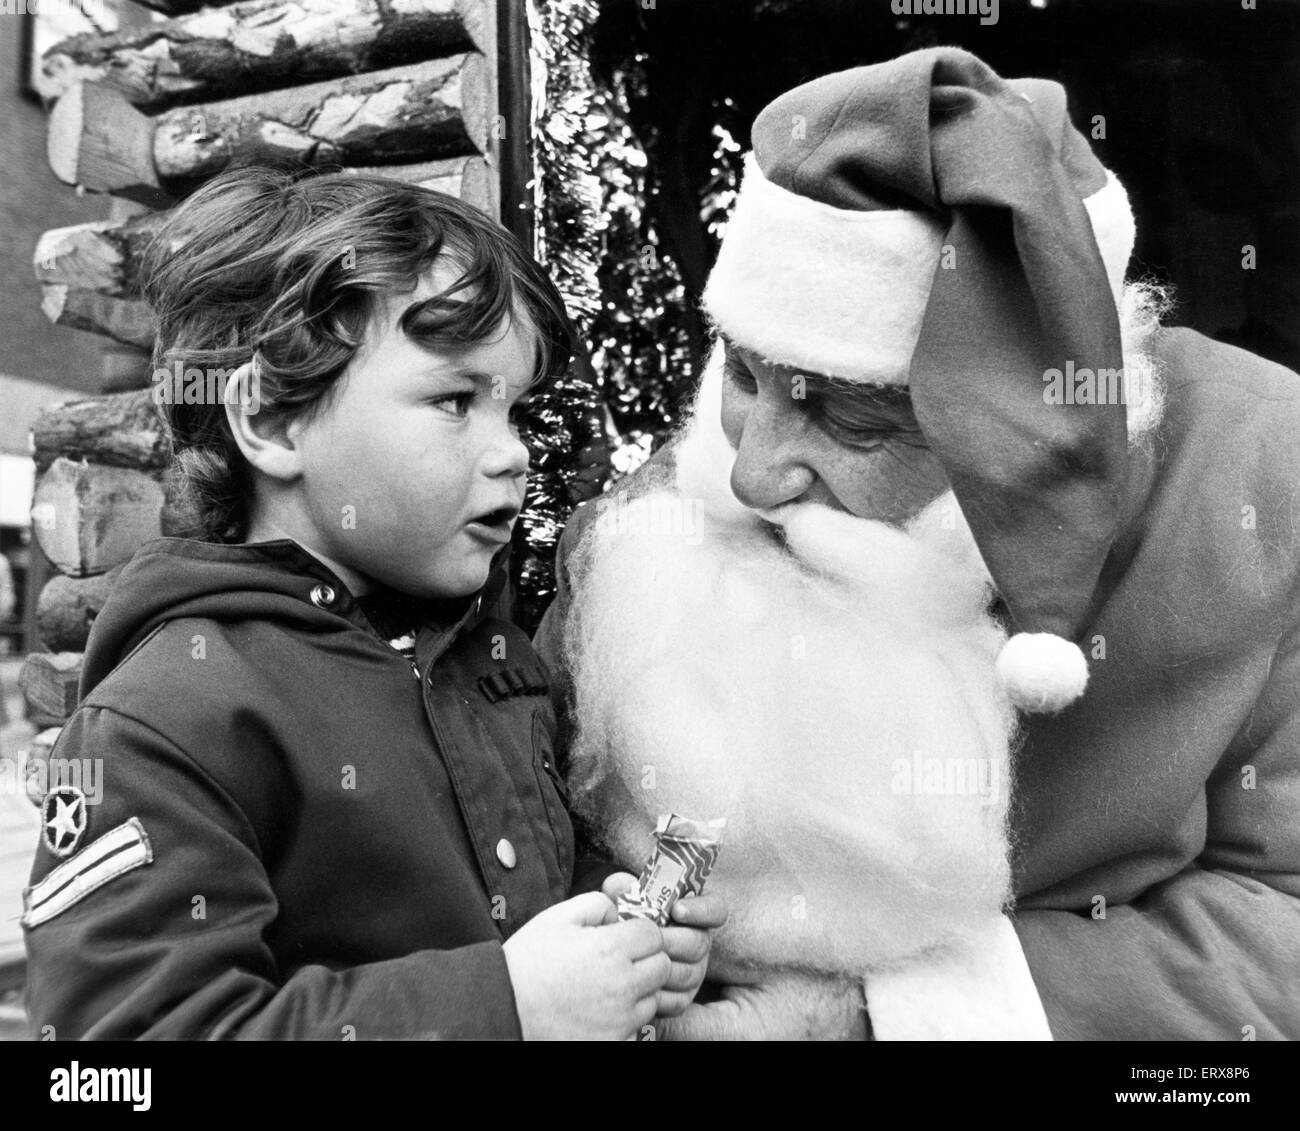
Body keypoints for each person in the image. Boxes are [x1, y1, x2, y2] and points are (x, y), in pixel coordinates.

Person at [535, 47, 1300, 1039]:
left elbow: (1280, 921)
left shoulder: (1261, 480)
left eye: (847, 423)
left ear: (1025, 435)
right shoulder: (680, 500)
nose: (752, 474)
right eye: (744, 373)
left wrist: (864, 1021)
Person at [20, 167, 723, 1040]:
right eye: (455, 400)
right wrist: (506, 1006)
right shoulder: (170, 721)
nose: (512, 454)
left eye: (515, 410)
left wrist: (610, 931)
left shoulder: (492, 665)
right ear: (274, 421)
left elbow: (509, 893)